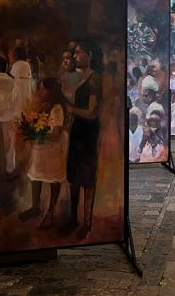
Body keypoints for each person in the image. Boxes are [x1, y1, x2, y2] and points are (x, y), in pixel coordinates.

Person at [65, 40, 102, 238]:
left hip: (87, 132)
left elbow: (91, 113)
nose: (75, 56)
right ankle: (73, 218)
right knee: (74, 177)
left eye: (79, 53)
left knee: (87, 177)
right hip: (77, 130)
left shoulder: (94, 79)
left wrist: (71, 109)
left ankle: (86, 221)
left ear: (90, 54)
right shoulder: (77, 77)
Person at [20, 78, 68, 229]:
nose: (40, 92)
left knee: (53, 178)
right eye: (39, 89)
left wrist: (37, 133)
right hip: (41, 148)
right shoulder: (46, 106)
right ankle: (35, 207)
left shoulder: (57, 109)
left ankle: (50, 212)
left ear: (51, 91)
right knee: (36, 176)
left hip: (52, 149)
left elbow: (56, 133)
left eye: (43, 89)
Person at [11, 46, 33, 115]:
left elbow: (11, 79)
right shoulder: (27, 65)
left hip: (18, 94)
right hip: (26, 93)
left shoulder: (16, 65)